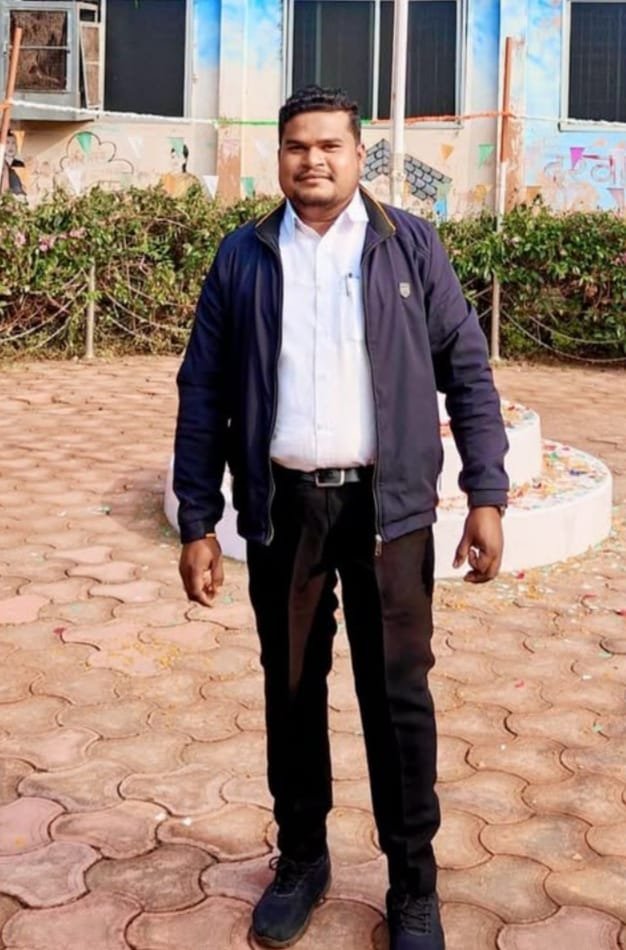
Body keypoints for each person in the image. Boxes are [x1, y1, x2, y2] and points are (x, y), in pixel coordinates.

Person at [174, 85, 509, 950]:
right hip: (285, 509)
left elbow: (467, 370)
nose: (312, 160)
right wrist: (198, 519)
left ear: (361, 155)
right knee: (291, 689)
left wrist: (486, 494)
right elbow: (202, 391)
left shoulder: (409, 245)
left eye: (330, 145)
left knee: (397, 697)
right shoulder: (244, 257)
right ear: (279, 157)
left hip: (388, 512)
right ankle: (301, 860)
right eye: (297, 146)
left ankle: (413, 886)